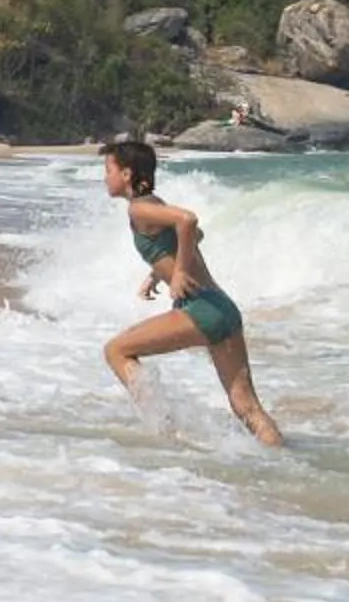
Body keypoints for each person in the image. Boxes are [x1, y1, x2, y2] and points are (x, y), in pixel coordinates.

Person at [100, 137, 283, 446]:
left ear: (127, 174)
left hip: (200, 308)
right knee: (247, 407)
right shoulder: (155, 205)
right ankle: (286, 463)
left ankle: (167, 434)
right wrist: (158, 272)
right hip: (222, 307)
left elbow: (189, 221)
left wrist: (180, 273)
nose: (105, 178)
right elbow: (195, 235)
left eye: (108, 170)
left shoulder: (139, 209)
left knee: (116, 351)